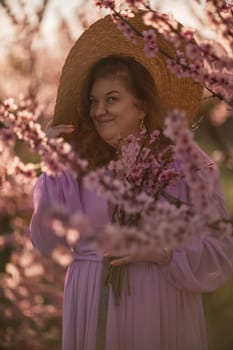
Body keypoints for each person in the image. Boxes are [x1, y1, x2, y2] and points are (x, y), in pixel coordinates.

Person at [30, 12, 233, 350]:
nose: (99, 111)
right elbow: (46, 240)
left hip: (159, 306)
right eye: (93, 101)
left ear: (141, 105)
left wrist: (162, 252)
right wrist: (52, 163)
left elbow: (220, 251)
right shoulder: (77, 165)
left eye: (112, 99)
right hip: (90, 301)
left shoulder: (185, 164)